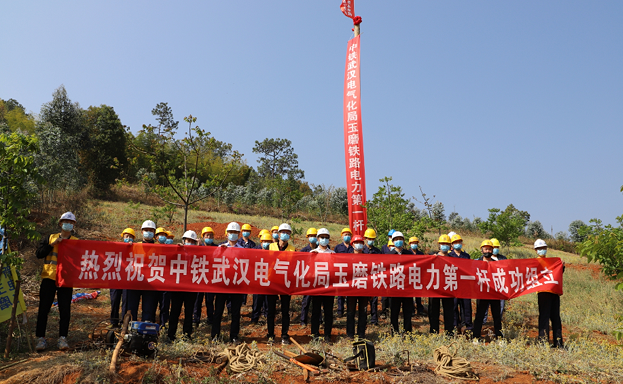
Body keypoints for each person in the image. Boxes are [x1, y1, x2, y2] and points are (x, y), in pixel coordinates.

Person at [35, 212, 78, 351]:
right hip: (49, 277)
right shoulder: (50, 238)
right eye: (66, 222)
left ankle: (62, 338)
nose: (68, 224)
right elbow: (39, 253)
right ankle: (40, 338)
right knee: (43, 309)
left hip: (66, 280)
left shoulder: (76, 242)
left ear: (74, 225)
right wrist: (52, 245)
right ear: (60, 224)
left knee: (65, 310)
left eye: (71, 223)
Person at [212, 222, 245, 344]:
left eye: (235, 233)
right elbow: (213, 261)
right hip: (222, 284)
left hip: (237, 284)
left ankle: (234, 336)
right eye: (231, 232)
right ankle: (215, 335)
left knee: (236, 312)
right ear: (227, 234)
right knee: (218, 311)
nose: (232, 235)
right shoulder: (220, 248)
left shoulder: (243, 250)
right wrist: (219, 252)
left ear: (238, 235)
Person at [168, 231, 200, 341]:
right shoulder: (177, 251)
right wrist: (175, 249)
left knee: (189, 312)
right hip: (177, 287)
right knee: (175, 311)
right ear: (183, 241)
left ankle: (187, 335)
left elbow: (207, 259)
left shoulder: (198, 253)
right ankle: (170, 335)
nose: (189, 243)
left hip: (191, 287)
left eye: (192, 241)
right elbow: (167, 259)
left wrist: (201, 248)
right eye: (187, 241)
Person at [267, 223, 296, 345]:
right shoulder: (270, 246)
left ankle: (284, 335)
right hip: (272, 282)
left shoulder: (292, 249)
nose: (285, 234)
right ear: (278, 234)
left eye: (287, 233)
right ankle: (270, 335)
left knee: (285, 310)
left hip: (285, 283)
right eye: (283, 232)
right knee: (271, 311)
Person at [534, 239, 564, 348]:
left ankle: (558, 343)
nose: (542, 250)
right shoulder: (534, 263)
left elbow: (558, 273)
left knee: (556, 317)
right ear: (536, 250)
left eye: (543, 248)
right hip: (543, 292)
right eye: (539, 249)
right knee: (544, 317)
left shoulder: (552, 262)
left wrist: (562, 266)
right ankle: (543, 342)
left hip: (554, 292)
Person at [472, 240, 503, 341]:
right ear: (482, 250)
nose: (488, 251)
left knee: (497, 316)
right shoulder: (476, 263)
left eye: (490, 249)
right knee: (480, 315)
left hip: (494, 293)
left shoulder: (496, 264)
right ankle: (476, 336)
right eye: (486, 249)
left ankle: (499, 337)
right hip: (482, 292)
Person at [310, 228, 335, 343]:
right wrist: (311, 258)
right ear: (317, 239)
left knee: (328, 312)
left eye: (326, 237)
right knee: (315, 311)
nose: (324, 239)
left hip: (329, 287)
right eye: (322, 237)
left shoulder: (333, 254)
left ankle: (327, 335)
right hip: (316, 287)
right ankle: (314, 334)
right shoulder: (313, 253)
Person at [428, 234, 455, 335]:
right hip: (434, 287)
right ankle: (434, 332)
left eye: (446, 244)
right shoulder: (432, 256)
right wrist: (431, 258)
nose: (444, 246)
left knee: (449, 312)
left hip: (448, 287)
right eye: (442, 244)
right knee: (433, 311)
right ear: (439, 245)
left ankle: (449, 333)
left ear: (450, 246)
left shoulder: (453, 258)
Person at [388, 231, 415, 335]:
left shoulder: (409, 254)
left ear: (403, 241)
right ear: (393, 241)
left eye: (400, 239)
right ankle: (394, 332)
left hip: (407, 287)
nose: (398, 241)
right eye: (396, 239)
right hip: (394, 288)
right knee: (394, 312)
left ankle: (407, 333)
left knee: (407, 312)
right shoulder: (389, 255)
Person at [110, 228, 135, 328]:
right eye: (126, 236)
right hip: (116, 278)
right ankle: (113, 322)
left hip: (127, 279)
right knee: (114, 300)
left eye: (130, 236)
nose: (128, 238)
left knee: (126, 301)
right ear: (123, 237)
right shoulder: (117, 247)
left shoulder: (136, 248)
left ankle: (123, 323)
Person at [346, 236, 370, 339]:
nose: (359, 244)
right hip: (351, 289)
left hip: (364, 288)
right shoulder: (347, 258)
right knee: (351, 312)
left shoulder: (368, 258)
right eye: (356, 242)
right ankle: (350, 334)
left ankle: (361, 334)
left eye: (361, 242)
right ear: (352, 244)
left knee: (363, 312)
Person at [449, 234, 473, 334]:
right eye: (455, 242)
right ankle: (455, 325)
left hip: (465, 285)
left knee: (466, 305)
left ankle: (467, 325)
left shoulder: (466, 256)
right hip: (453, 284)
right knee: (453, 305)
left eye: (459, 242)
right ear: (452, 244)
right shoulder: (449, 256)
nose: (457, 244)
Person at [193, 226, 217, 327]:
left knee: (209, 300)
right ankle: (196, 319)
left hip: (210, 278)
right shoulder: (199, 247)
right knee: (197, 300)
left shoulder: (216, 248)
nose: (209, 237)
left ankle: (210, 319)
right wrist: (198, 247)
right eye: (207, 235)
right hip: (200, 277)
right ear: (203, 237)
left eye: (211, 236)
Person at [483, 238, 507, 324]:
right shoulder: (479, 260)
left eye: (497, 247)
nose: (496, 249)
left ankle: (497, 327)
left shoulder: (503, 259)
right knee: (482, 309)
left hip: (497, 288)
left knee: (498, 308)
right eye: (486, 249)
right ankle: (483, 323)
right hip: (484, 288)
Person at [250, 233, 272, 324]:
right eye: (264, 241)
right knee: (257, 301)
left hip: (269, 280)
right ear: (261, 242)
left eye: (268, 242)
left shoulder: (273, 253)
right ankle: (254, 319)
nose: (266, 243)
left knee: (267, 301)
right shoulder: (255, 251)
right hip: (258, 280)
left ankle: (267, 318)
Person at [299, 228, 319, 326]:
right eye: (311, 236)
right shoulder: (303, 251)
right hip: (307, 280)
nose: (313, 238)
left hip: (318, 279)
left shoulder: (322, 250)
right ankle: (303, 321)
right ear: (308, 238)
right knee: (306, 301)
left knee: (318, 302)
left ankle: (318, 320)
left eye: (314, 236)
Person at [334, 228, 353, 317]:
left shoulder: (353, 247)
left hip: (351, 273)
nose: (347, 237)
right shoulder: (338, 247)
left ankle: (350, 310)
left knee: (350, 292)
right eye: (345, 235)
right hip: (340, 272)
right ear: (341, 237)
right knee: (340, 293)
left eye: (348, 235)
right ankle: (340, 311)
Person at [363, 228, 380, 325]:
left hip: (374, 278)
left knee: (374, 300)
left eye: (372, 239)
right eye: (369, 238)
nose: (371, 240)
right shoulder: (362, 250)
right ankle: (364, 319)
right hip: (364, 279)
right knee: (364, 301)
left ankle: (374, 320)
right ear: (366, 238)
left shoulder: (377, 251)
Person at [408, 236, 427, 316]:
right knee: (410, 294)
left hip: (418, 275)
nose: (414, 244)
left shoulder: (420, 254)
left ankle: (420, 309)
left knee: (418, 294)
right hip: (410, 275)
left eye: (415, 243)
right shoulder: (407, 253)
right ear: (410, 244)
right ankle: (411, 310)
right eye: (413, 243)